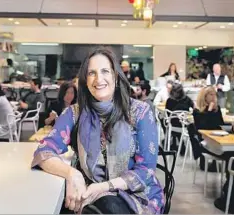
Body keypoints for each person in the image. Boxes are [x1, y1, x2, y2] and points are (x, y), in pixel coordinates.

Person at [31, 47, 163, 214]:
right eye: (92, 73)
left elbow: (146, 171)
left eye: (105, 71)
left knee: (106, 205)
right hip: (88, 194)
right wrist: (72, 174)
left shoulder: (141, 112)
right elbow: (44, 151)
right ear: (85, 80)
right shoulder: (74, 113)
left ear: (115, 76)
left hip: (136, 196)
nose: (98, 79)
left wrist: (104, 188)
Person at [165, 83, 194, 153]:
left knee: (167, 121)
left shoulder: (169, 100)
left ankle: (172, 141)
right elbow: (193, 108)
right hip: (185, 124)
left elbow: (168, 114)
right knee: (180, 121)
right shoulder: (187, 99)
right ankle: (179, 142)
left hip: (173, 124)